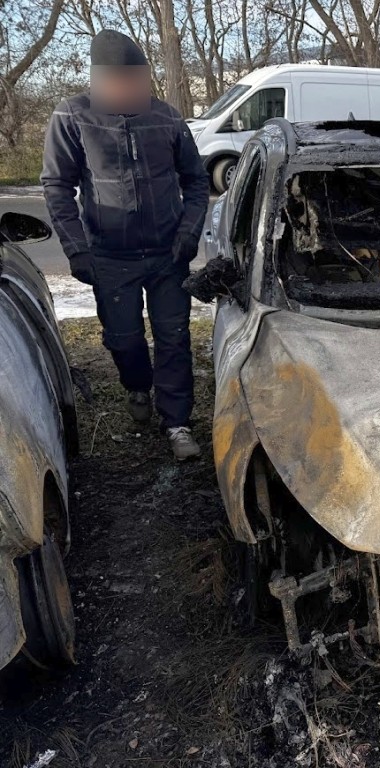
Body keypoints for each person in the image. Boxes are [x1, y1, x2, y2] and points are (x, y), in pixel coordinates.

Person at [41, 30, 208, 460]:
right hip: (110, 256)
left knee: (174, 337)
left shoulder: (167, 118)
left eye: (138, 79)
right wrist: (77, 248)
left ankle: (177, 422)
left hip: (168, 254)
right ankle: (136, 385)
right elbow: (57, 187)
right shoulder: (72, 117)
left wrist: (189, 233)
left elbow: (196, 181)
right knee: (124, 338)